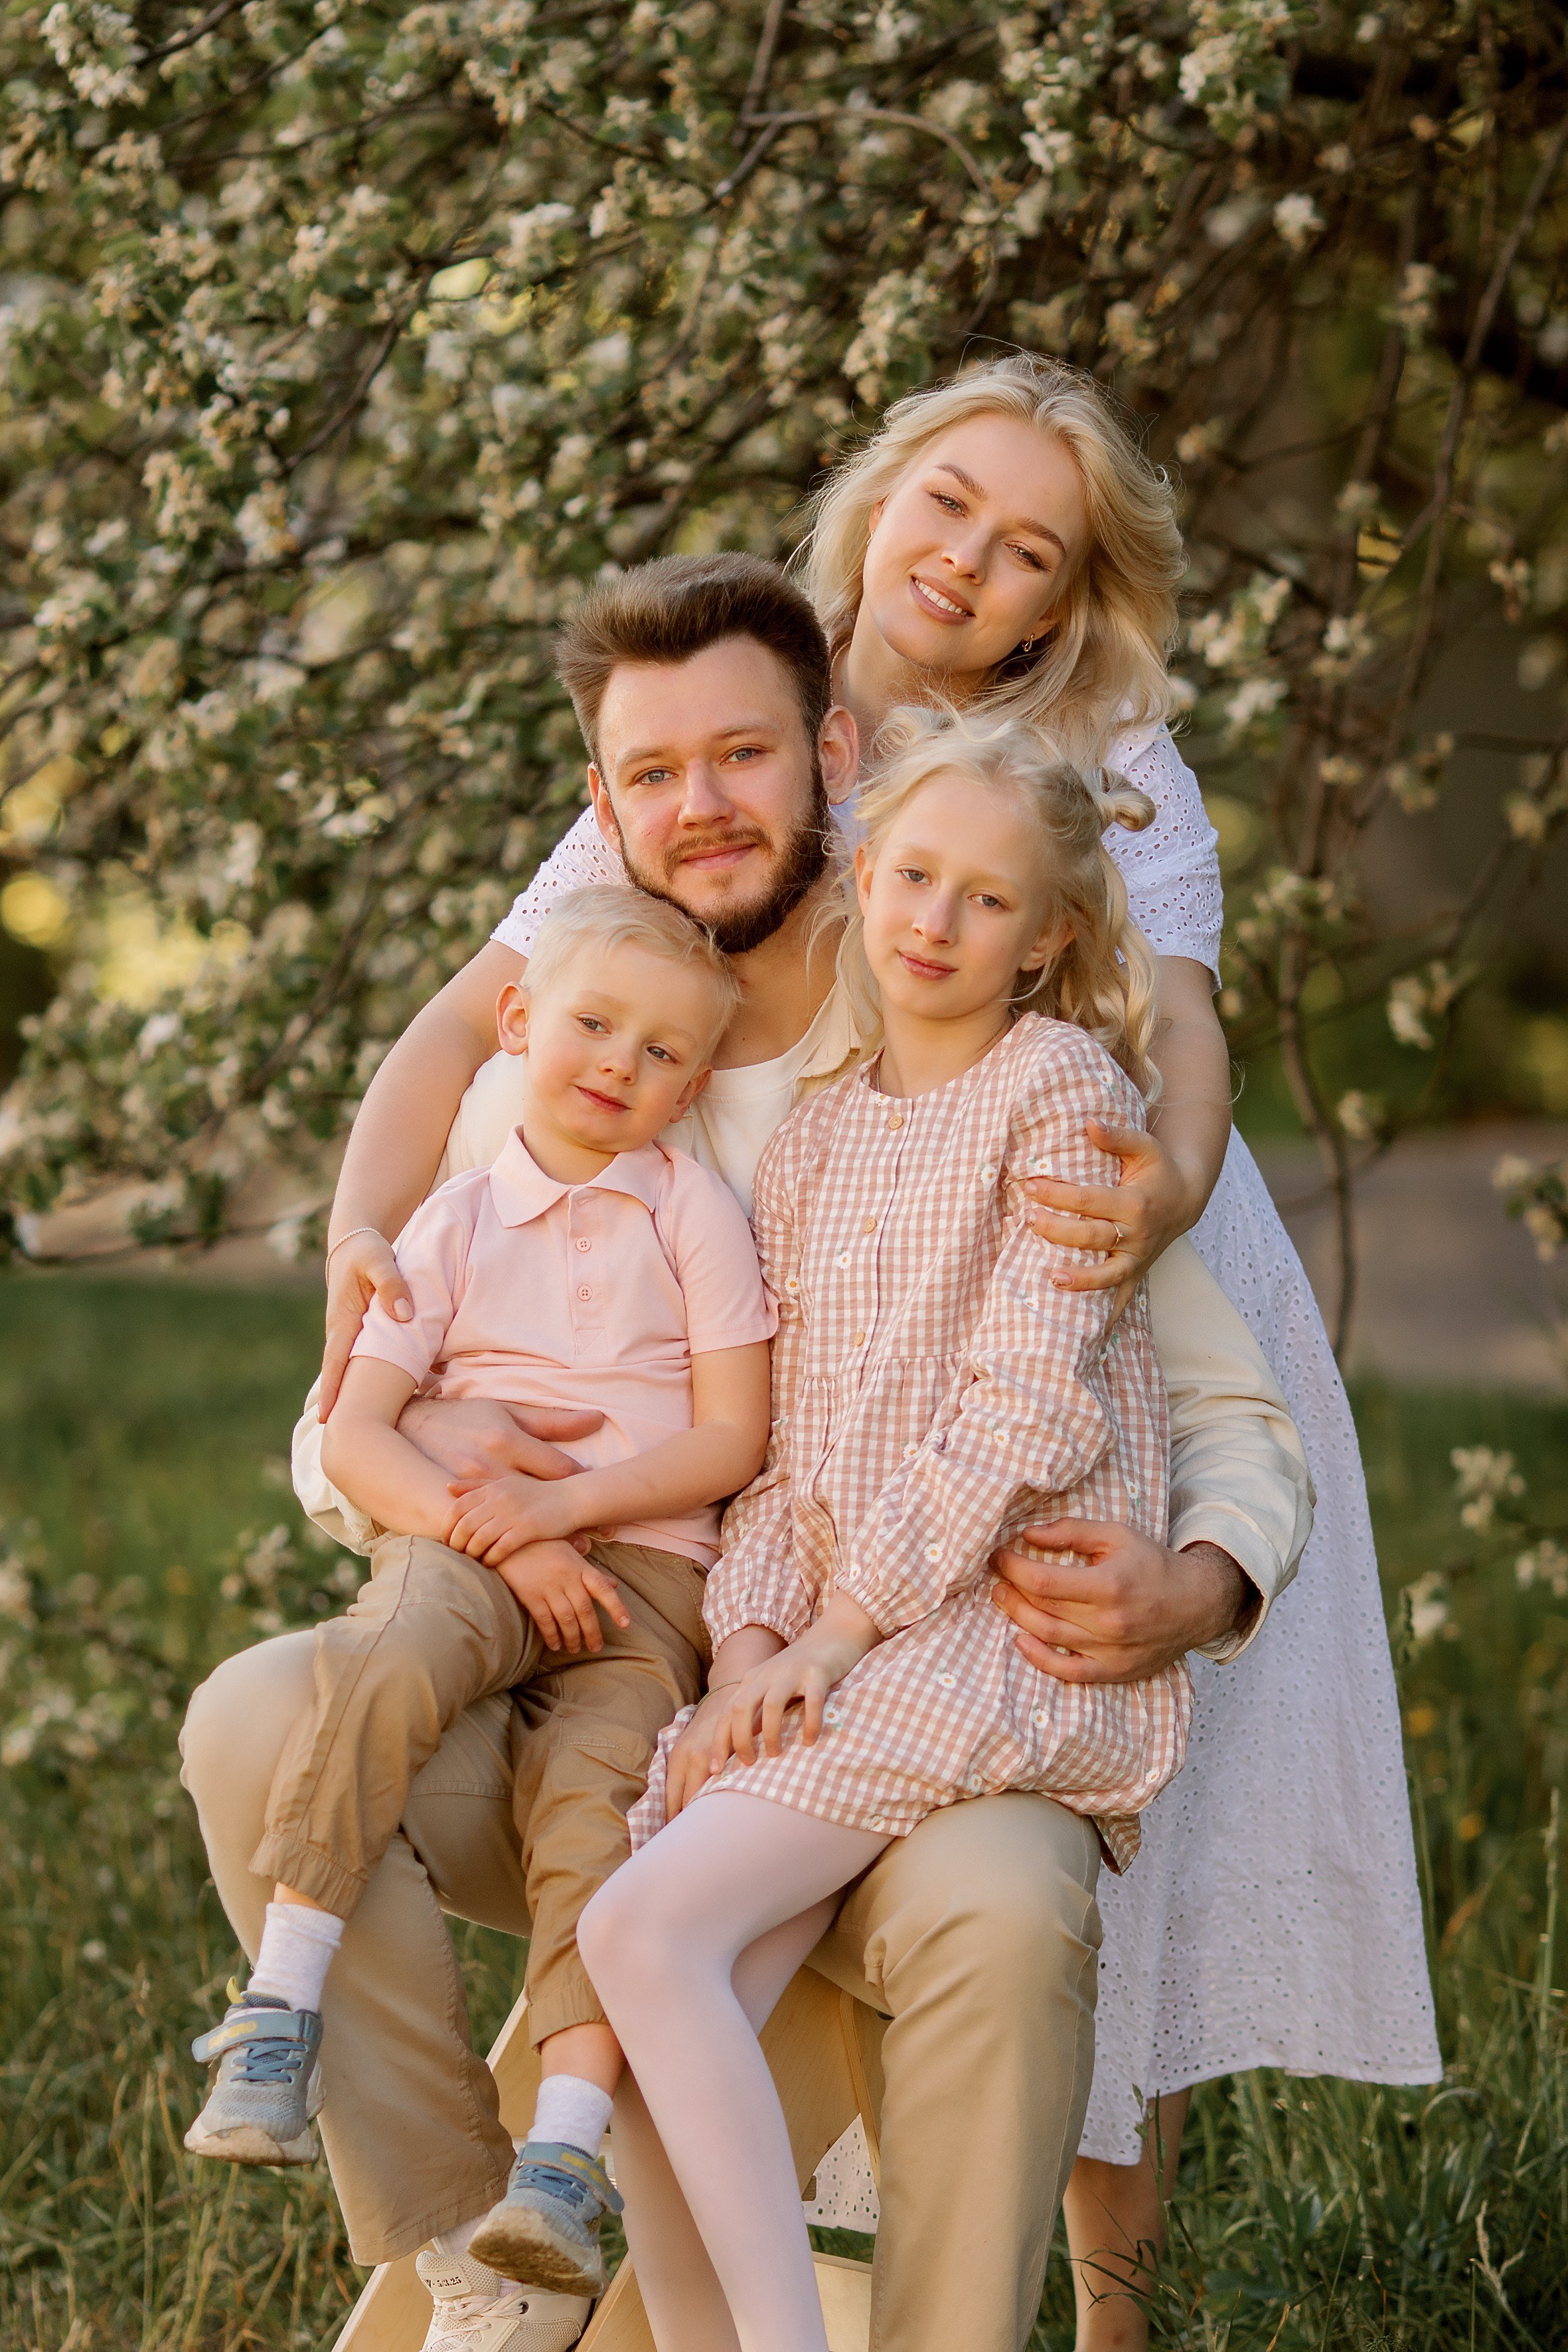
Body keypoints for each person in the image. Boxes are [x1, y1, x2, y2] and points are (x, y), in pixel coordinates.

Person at [185, 554, 1312, 2352]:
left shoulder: (982, 1056)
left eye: (741, 757)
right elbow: (343, 1437)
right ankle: (476, 2230)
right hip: (628, 1674)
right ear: (601, 806)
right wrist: (453, 1464)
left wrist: (1200, 1577)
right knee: (257, 1713)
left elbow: (1225, 1414)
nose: (698, 808)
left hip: (932, 1680)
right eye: (651, 774)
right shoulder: (575, 1064)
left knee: (1006, 1902)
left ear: (831, 762)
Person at [495, 358, 1439, 2343]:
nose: (970, 561)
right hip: (842, 1486)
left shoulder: (1090, 868)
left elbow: (1170, 1033)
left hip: (1086, 1315)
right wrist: (375, 1255)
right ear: (878, 494)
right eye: (949, 504)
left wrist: (1154, 1191)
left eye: (1030, 551)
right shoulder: (742, 710)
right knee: (685, 1946)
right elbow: (518, 986)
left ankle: (1101, 2312)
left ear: (1057, 605)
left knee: (1117, 1890)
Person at [578, 706, 1190, 2352]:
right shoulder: (824, 1136)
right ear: (865, 872)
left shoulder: (1058, 1090)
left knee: (638, 1925)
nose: (931, 919)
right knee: (642, 1985)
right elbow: (776, 1463)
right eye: (912, 874)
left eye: (984, 899)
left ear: (1048, 933)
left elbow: (1026, 1411)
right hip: (844, 1634)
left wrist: (838, 1634)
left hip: (991, 1633)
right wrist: (761, 1639)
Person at [187, 890, 775, 2327]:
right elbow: (358, 1434)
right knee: (387, 1656)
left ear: (690, 1088)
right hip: (471, 1546)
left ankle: (562, 2165)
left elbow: (729, 1439)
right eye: (587, 1024)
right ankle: (282, 2002)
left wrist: (560, 1514)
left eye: (657, 1054)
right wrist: (496, 1538)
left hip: (643, 1576)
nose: (614, 1063)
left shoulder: (692, 1207)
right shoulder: (445, 1224)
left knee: (599, 1807)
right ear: (516, 1024)